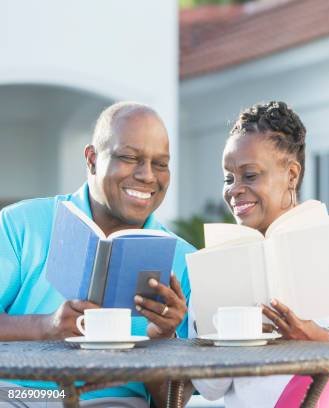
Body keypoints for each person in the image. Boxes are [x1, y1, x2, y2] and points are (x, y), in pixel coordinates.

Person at [191, 101, 329, 407]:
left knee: (325, 378)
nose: (235, 189)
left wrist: (324, 337)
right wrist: (218, 334)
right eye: (229, 178)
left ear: (291, 175)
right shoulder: (217, 266)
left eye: (249, 175)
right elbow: (211, 390)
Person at [0, 102, 194, 408]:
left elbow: (173, 402)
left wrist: (163, 340)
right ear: (92, 159)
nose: (147, 176)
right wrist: (44, 327)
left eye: (160, 163)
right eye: (130, 158)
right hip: (17, 395)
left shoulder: (183, 260)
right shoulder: (20, 223)